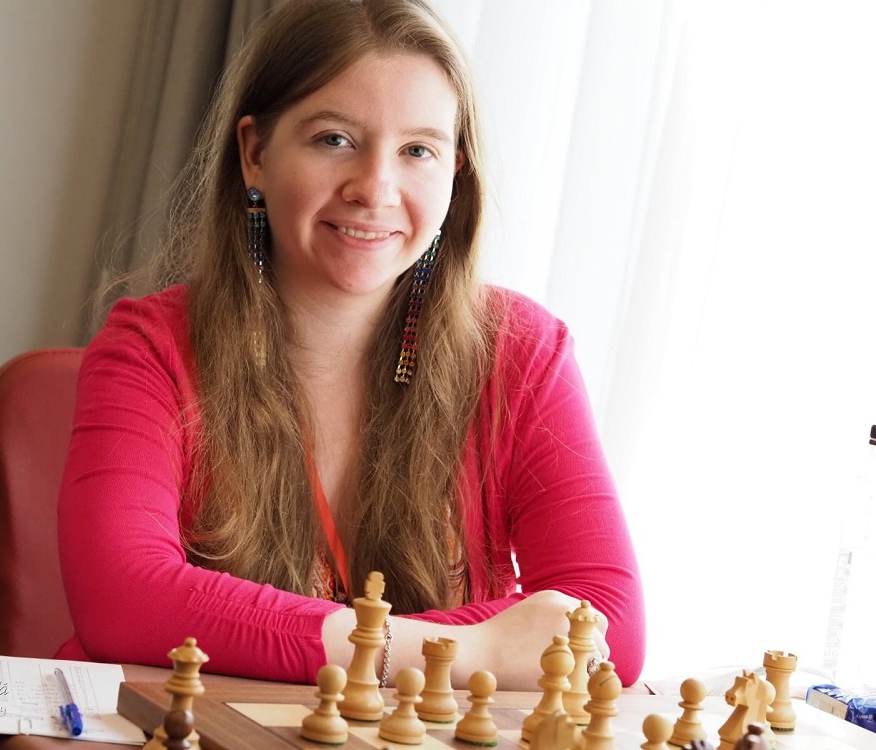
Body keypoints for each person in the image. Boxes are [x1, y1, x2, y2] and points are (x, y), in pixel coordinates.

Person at [56, 0, 645, 691]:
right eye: (334, 139)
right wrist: (472, 650)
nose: (375, 188)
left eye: (417, 150)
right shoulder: (149, 349)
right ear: (255, 154)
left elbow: (608, 625)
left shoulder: (523, 352)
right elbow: (125, 601)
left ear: (454, 174)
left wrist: (303, 638)